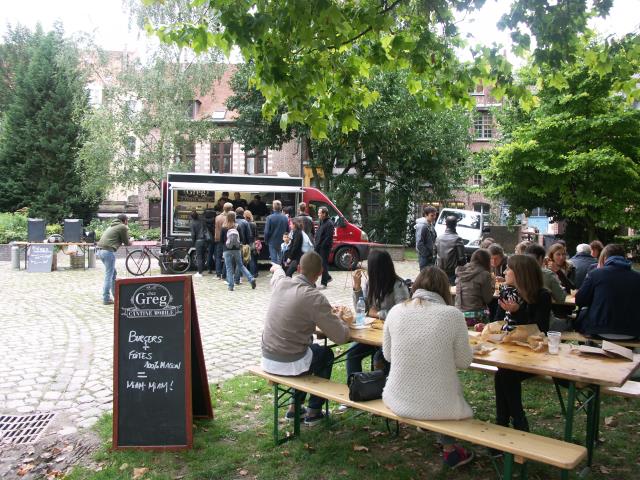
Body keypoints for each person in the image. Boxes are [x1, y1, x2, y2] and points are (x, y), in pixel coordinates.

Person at [382, 267, 475, 469]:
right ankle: (449, 449)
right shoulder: (452, 315)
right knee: (447, 389)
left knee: (435, 384)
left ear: (416, 286)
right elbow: (464, 362)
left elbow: (387, 356)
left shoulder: (396, 311)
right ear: (443, 289)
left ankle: (447, 444)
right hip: (440, 404)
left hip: (399, 398)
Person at [261, 252, 351, 426]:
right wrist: (341, 319)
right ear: (320, 272)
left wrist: (277, 268)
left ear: (299, 269)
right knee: (324, 354)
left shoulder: (281, 284)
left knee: (307, 351)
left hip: (267, 357)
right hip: (289, 361)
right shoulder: (314, 297)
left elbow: (278, 275)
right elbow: (341, 336)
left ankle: (294, 408)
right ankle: (314, 411)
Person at [339, 250, 410, 413]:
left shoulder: (398, 285)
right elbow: (362, 310)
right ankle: (355, 390)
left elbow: (404, 312)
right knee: (352, 354)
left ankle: (379, 394)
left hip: (392, 336)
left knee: (379, 357)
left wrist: (378, 313)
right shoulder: (371, 283)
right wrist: (356, 288)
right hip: (372, 333)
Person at [494, 255, 551, 432]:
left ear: (520, 273)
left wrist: (518, 312)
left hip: (534, 353)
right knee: (502, 374)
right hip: (510, 350)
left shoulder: (541, 296)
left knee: (504, 375)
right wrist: (487, 325)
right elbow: (497, 320)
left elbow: (540, 329)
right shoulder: (507, 291)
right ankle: (508, 422)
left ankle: (515, 421)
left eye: (509, 269)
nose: (505, 272)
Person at [576, 244, 640, 339]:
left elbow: (580, 301)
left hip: (599, 330)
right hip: (632, 332)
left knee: (582, 314)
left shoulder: (595, 274)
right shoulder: (637, 277)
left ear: (605, 257)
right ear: (624, 258)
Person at [97, 214, 131, 305]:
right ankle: (106, 298)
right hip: (108, 252)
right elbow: (127, 242)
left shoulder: (112, 226)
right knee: (109, 275)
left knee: (113, 273)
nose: (128, 222)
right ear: (125, 220)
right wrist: (131, 241)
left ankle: (115, 296)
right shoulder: (122, 226)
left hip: (100, 251)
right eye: (127, 220)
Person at [455, 249, 495, 326]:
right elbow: (488, 299)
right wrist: (492, 284)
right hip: (477, 316)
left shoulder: (461, 271)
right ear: (487, 261)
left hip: (459, 314)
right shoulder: (484, 274)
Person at [220, 211, 256, 291]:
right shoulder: (237, 226)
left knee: (229, 268)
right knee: (241, 265)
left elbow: (221, 240)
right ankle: (251, 279)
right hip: (237, 249)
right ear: (234, 217)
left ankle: (231, 286)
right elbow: (242, 238)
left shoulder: (224, 227)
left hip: (227, 249)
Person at [435, 215, 466, 285]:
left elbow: (434, 254)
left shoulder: (438, 238)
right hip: (452, 272)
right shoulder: (458, 239)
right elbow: (462, 259)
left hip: (440, 269)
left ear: (446, 224)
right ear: (455, 225)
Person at [264, 200, 289, 265]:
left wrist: (266, 241)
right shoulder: (285, 218)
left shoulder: (269, 218)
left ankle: (275, 274)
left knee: (274, 260)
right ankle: (281, 273)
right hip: (282, 241)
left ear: (273, 207)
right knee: (281, 259)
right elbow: (287, 231)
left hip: (272, 242)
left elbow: (266, 232)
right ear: (281, 207)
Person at [315, 206, 334, 289]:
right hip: (319, 246)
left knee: (324, 264)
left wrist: (321, 246)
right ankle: (328, 277)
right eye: (318, 212)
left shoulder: (329, 223)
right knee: (319, 264)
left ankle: (324, 283)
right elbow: (319, 233)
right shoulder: (321, 221)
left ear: (324, 214)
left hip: (324, 248)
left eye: (319, 213)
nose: (318, 214)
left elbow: (328, 237)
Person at [214, 202, 234, 279]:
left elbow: (216, 229)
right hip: (228, 240)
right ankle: (224, 274)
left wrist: (216, 238)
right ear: (231, 209)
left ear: (223, 208)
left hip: (219, 239)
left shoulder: (218, 217)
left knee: (218, 257)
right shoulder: (231, 217)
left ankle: (218, 274)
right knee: (227, 257)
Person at [415, 205, 437, 270]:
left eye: (435, 215)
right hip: (424, 257)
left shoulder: (431, 225)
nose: (434, 217)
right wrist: (427, 254)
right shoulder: (422, 226)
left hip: (430, 256)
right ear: (426, 215)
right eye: (432, 215)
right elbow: (419, 243)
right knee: (425, 278)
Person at [189, 210, 208, 277]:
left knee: (199, 257)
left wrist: (193, 242)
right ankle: (202, 270)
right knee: (203, 257)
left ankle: (200, 272)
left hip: (198, 241)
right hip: (205, 241)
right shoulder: (202, 221)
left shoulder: (192, 223)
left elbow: (193, 234)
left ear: (191, 217)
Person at [244, 210, 259, 277]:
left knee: (248, 259)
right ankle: (254, 273)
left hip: (246, 243)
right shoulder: (253, 224)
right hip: (252, 242)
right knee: (253, 258)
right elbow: (256, 234)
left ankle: (250, 273)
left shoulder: (244, 223)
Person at [203, 208, 216, 274]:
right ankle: (217, 268)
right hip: (214, 239)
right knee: (216, 254)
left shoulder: (204, 220)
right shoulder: (214, 220)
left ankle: (209, 269)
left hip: (207, 239)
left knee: (209, 254)